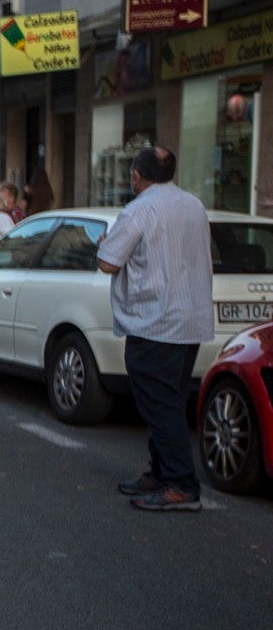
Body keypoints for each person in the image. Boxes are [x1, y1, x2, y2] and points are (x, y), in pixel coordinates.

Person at [96, 146, 214, 511]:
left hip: (155, 322)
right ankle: (161, 472)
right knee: (171, 402)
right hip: (189, 319)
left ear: (136, 175)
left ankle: (180, 483)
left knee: (159, 406)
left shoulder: (138, 210)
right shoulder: (193, 204)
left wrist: (103, 245)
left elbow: (108, 263)